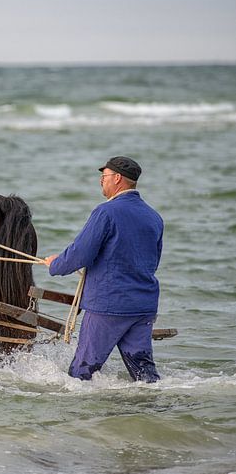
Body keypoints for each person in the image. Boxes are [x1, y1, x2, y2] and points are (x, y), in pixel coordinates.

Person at [44, 156, 164, 382]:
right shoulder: (154, 217)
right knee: (145, 376)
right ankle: (151, 413)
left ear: (118, 178)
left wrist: (54, 264)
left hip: (109, 305)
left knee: (81, 373)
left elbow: (80, 253)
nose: (101, 181)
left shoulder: (105, 212)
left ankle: (77, 416)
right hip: (143, 305)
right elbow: (152, 262)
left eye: (104, 176)